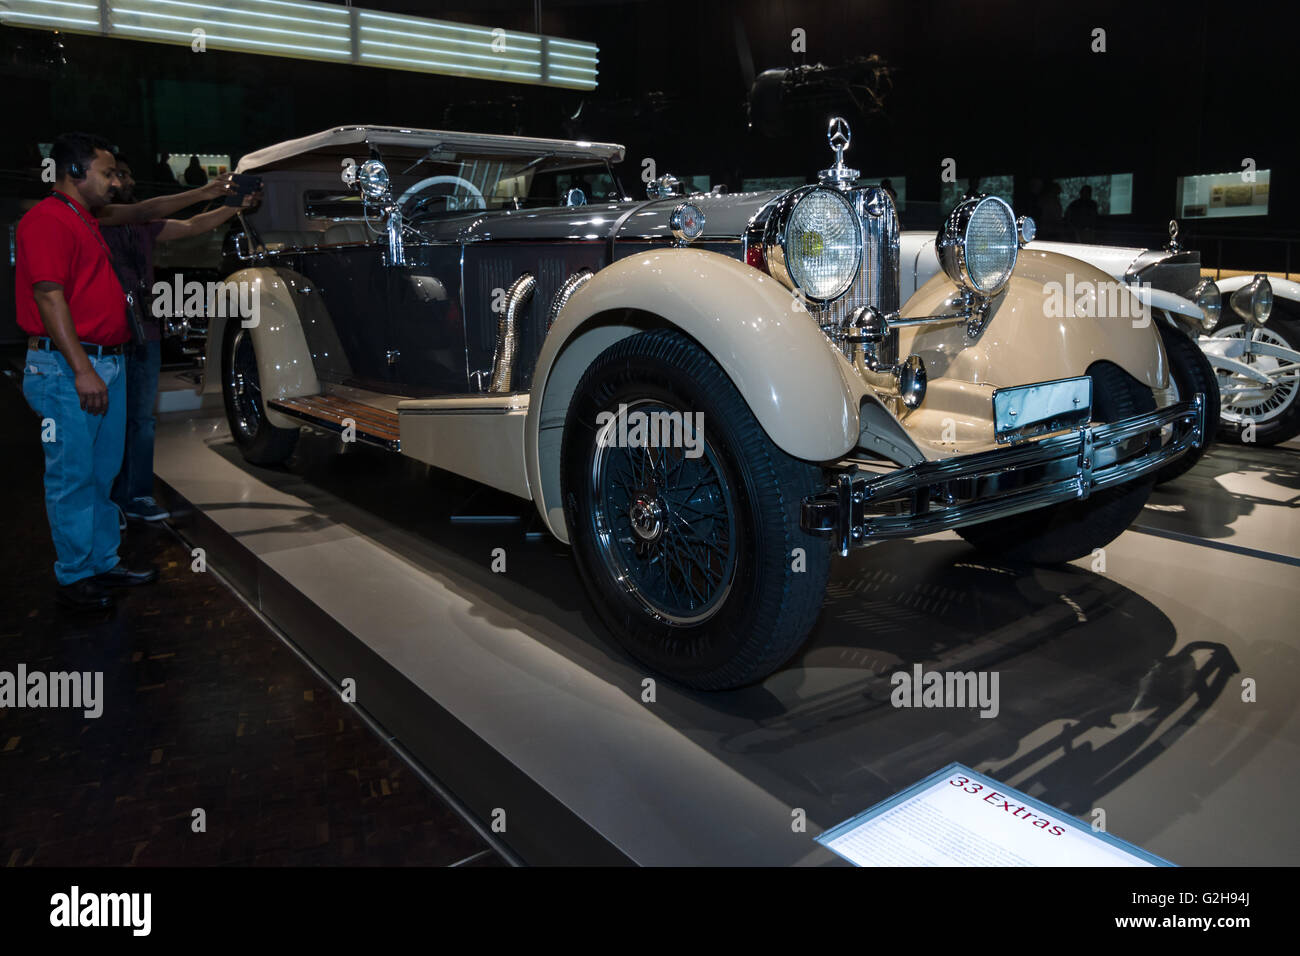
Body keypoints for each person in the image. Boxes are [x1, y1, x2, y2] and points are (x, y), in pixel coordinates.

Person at [14, 132, 155, 610]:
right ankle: (76, 577)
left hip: (101, 363)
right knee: (72, 477)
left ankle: (102, 562)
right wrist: (81, 370)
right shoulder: (48, 220)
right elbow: (48, 297)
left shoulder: (81, 219)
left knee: (100, 474)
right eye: (107, 172)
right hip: (66, 370)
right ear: (75, 173)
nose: (115, 181)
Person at [102, 156, 254, 524]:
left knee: (141, 420)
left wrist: (234, 205)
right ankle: (108, 501)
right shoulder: (101, 216)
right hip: (110, 333)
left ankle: (135, 497)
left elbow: (191, 225)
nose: (126, 179)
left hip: (145, 331)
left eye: (124, 173)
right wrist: (209, 189)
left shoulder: (140, 224)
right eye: (117, 174)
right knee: (110, 422)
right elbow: (148, 207)